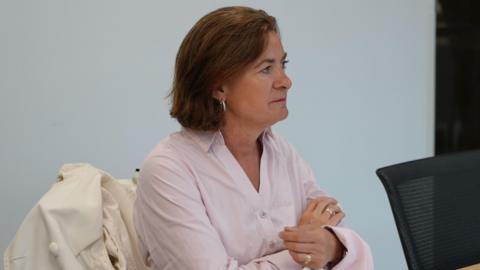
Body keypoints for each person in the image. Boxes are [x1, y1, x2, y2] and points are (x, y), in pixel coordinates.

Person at [133, 6, 373, 270]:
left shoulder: (281, 152)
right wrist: (299, 254)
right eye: (266, 69)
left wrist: (332, 246)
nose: (286, 81)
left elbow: (337, 227)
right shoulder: (168, 169)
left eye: (283, 64)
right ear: (219, 86)